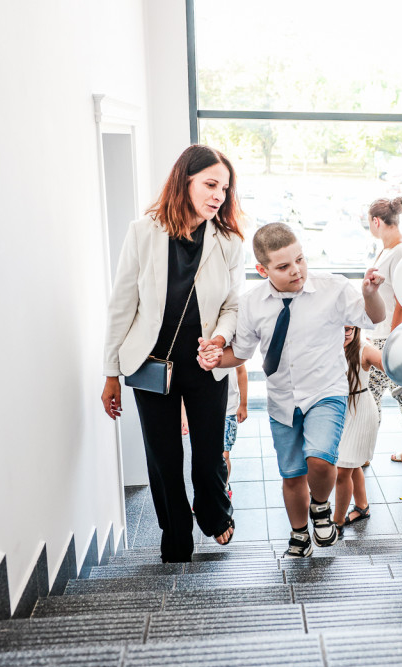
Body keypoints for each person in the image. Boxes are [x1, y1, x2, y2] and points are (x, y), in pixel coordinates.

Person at [203, 222, 385, 557]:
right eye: (284, 266)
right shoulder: (252, 303)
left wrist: (371, 294)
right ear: (262, 269)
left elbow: (373, 318)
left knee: (319, 459)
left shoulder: (333, 287)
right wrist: (214, 359)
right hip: (282, 399)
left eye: (300, 259)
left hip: (326, 391)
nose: (296, 270)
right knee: (291, 475)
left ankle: (320, 507)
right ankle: (300, 535)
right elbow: (240, 353)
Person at [101, 144, 244, 562]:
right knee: (163, 458)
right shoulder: (143, 232)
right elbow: (122, 304)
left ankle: (215, 515)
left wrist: (218, 340)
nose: (218, 195)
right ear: (185, 180)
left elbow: (234, 305)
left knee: (208, 452)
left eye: (224, 188)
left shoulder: (228, 240)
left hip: (206, 365)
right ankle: (175, 534)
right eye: (210, 184)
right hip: (151, 365)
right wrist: (111, 371)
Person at [364, 196, 402, 462]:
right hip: (381, 335)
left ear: (376, 221)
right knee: (374, 393)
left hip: (391, 337)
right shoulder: (387, 249)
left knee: (400, 395)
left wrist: (394, 337)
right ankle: (364, 447)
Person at [333, 325, 385, 534]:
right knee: (351, 463)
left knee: (343, 469)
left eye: (350, 328)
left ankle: (336, 522)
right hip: (340, 410)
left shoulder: (364, 349)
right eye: (342, 327)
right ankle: (362, 507)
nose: (346, 332)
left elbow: (392, 366)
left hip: (360, 410)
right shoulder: (329, 345)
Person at [222, 365, 249, 498]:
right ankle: (205, 494)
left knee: (224, 455)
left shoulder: (233, 344)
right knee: (204, 456)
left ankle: (223, 489)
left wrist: (243, 404)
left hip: (228, 408)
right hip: (203, 408)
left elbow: (241, 371)